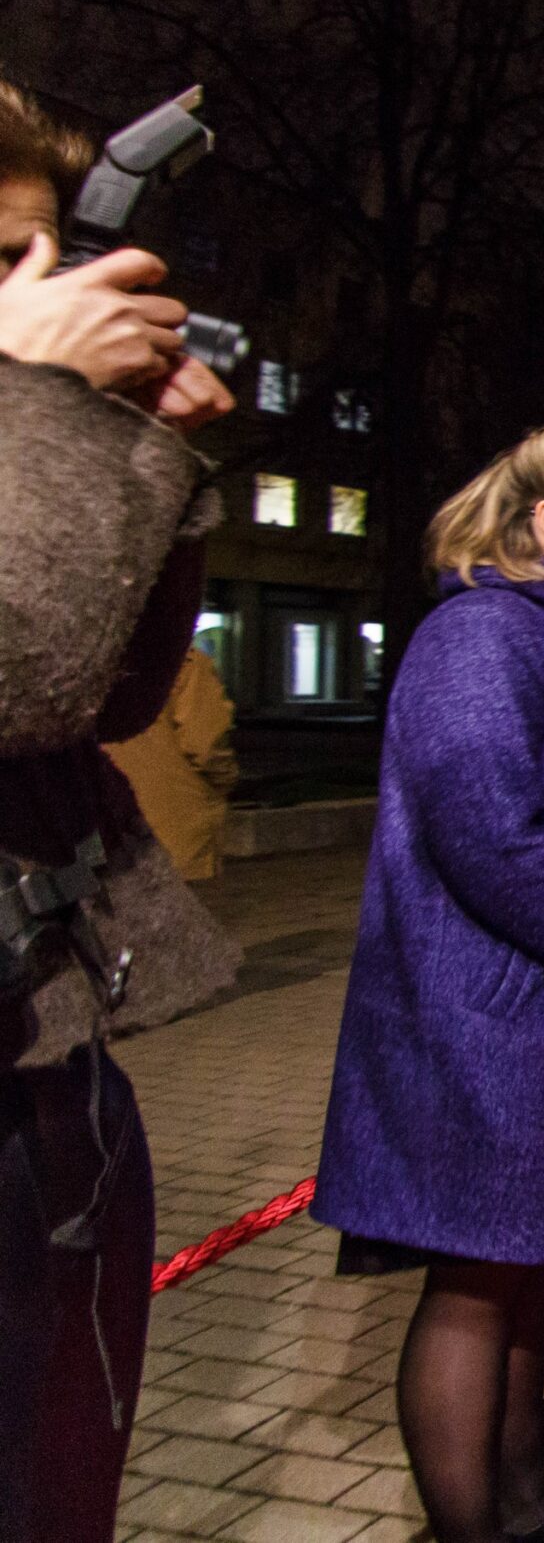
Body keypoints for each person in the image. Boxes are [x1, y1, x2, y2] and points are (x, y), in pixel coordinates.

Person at [312, 421, 544, 1543]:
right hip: (481, 1024)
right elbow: (489, 837)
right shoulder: (479, 632)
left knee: (525, 1270)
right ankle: (471, 1527)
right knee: (475, 1287)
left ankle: (526, 1505)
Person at [0, 78, 240, 1543]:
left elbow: (109, 690)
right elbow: (18, 671)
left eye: (52, 255)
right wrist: (41, 403)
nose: (50, 293)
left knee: (64, 1484)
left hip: (54, 1060)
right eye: (3, 264)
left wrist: (155, 463)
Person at [103, 644, 237, 882]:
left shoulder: (94, 665)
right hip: (172, 824)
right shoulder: (183, 662)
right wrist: (227, 779)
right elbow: (206, 746)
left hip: (108, 823)